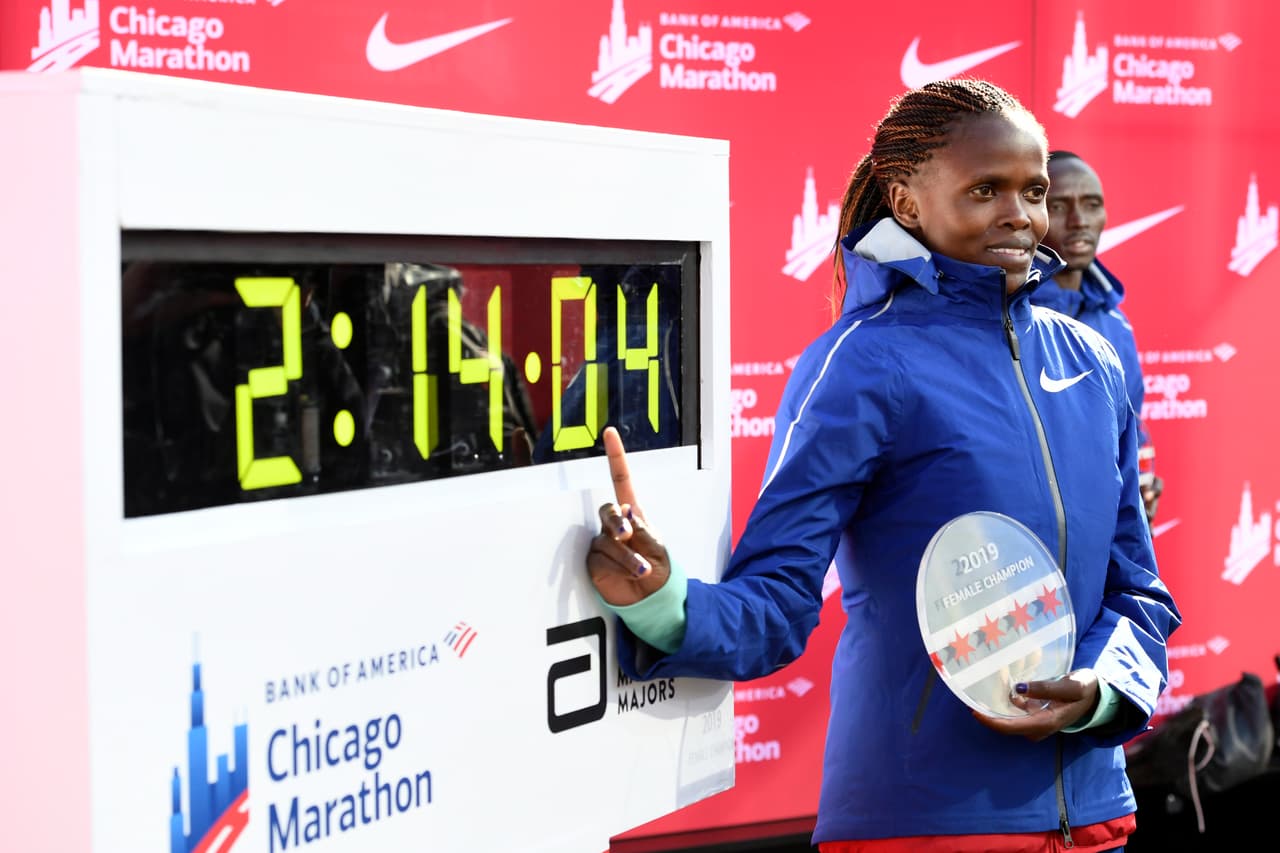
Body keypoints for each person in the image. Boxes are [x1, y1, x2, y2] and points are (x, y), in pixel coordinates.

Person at [586, 80, 1180, 852]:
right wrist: (664, 605)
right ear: (905, 201)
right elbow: (778, 598)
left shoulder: (1093, 360)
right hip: (924, 823)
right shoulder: (863, 361)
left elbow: (1137, 591)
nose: (1020, 215)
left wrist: (1100, 691)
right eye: (985, 190)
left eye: (1032, 191)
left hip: (1096, 817)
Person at [1032, 151, 1164, 527]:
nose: (1079, 221)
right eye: (1059, 206)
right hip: (1031, 535)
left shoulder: (1114, 322)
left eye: (1092, 205)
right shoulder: (1004, 316)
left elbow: (1129, 431)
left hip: (1104, 532)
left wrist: (1138, 488)